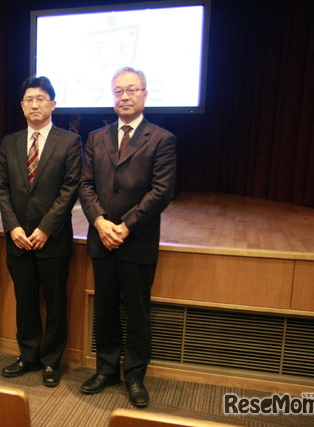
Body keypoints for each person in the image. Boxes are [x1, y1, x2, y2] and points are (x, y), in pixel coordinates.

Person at [78, 67, 176, 407]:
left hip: (137, 240)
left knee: (136, 311)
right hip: (102, 237)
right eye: (119, 90)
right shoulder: (96, 137)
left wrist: (126, 225)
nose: (125, 96)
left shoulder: (162, 139)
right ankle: (106, 369)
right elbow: (85, 184)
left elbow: (162, 191)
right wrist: (100, 222)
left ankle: (135, 376)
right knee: (104, 308)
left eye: (132, 90)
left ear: (145, 95)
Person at [0, 76, 82, 387]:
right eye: (29, 99)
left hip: (53, 239)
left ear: (53, 104)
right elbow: (2, 189)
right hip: (18, 238)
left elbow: (70, 189)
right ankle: (28, 355)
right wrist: (13, 227)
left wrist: (46, 228)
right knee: (25, 300)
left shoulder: (70, 142)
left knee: (56, 303)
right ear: (22, 106)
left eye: (41, 98)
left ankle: (50, 361)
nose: (35, 104)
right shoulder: (9, 142)